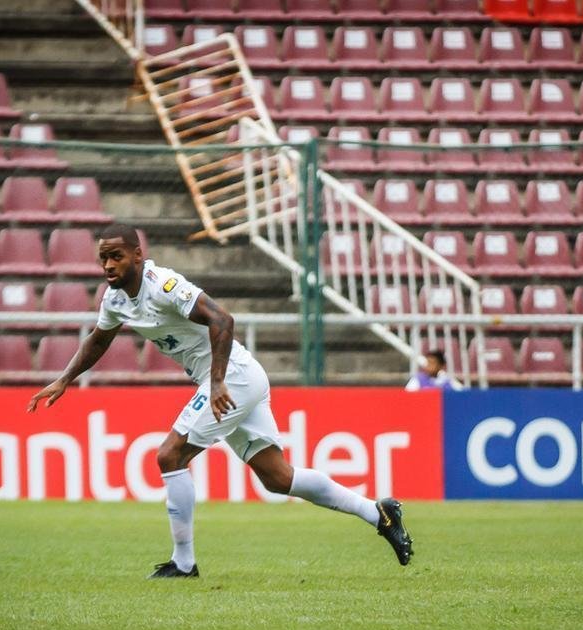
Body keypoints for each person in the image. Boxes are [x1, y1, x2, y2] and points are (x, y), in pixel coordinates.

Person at [27, 223, 414, 577]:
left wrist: (215, 384)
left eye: (116, 256)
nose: (108, 265)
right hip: (233, 379)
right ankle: (378, 512)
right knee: (279, 478)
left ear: (137, 255)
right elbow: (99, 339)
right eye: (103, 258)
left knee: (169, 455)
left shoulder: (163, 284)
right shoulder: (115, 300)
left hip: (232, 379)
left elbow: (223, 319)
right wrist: (64, 379)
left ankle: (183, 563)